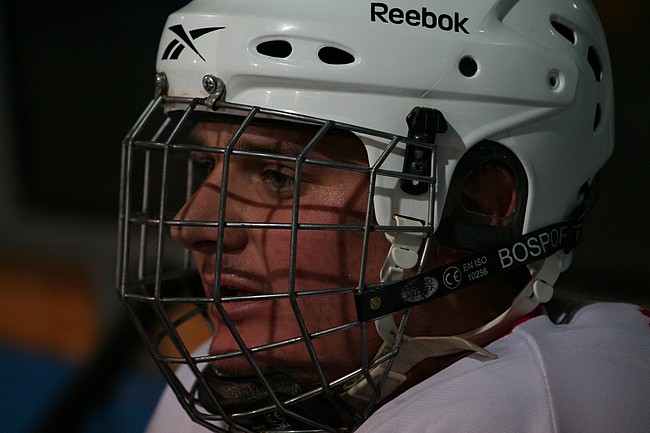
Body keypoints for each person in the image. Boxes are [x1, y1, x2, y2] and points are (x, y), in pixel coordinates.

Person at [116, 0, 650, 432]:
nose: (190, 225)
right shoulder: (225, 374)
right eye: (206, 165)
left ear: (480, 204)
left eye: (279, 176)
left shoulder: (521, 406)